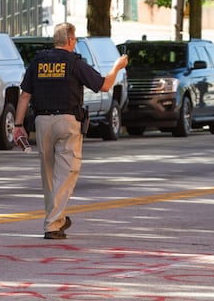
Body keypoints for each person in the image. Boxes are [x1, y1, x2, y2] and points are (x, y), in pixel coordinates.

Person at [13, 22, 128, 239]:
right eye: (74, 40)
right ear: (70, 40)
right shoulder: (74, 63)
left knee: (48, 175)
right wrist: (116, 67)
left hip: (41, 122)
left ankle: (56, 218)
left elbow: (25, 96)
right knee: (66, 173)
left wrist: (18, 126)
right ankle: (53, 224)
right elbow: (104, 85)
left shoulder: (38, 61)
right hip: (67, 121)